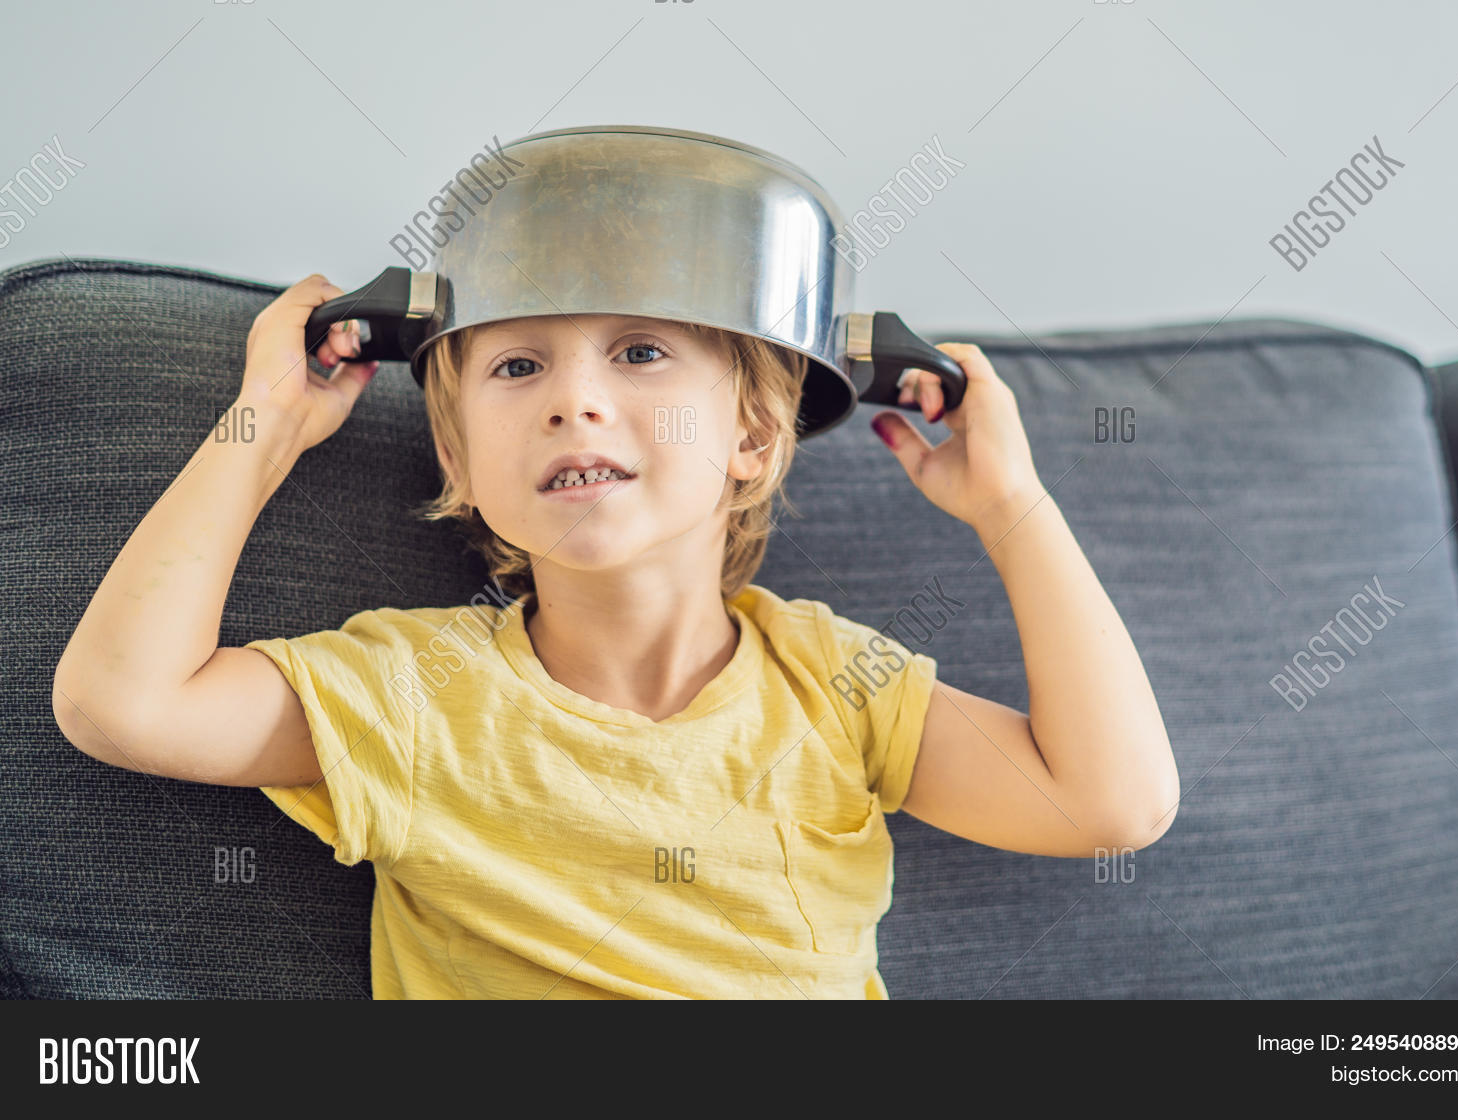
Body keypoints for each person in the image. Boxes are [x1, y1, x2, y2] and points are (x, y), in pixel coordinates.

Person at [52, 273, 1179, 999]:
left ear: (752, 432)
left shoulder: (835, 681)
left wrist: (1013, 506)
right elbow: (121, 702)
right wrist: (263, 427)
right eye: (518, 365)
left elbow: (1111, 804)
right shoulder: (416, 690)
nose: (573, 400)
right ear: (461, 462)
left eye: (639, 352)